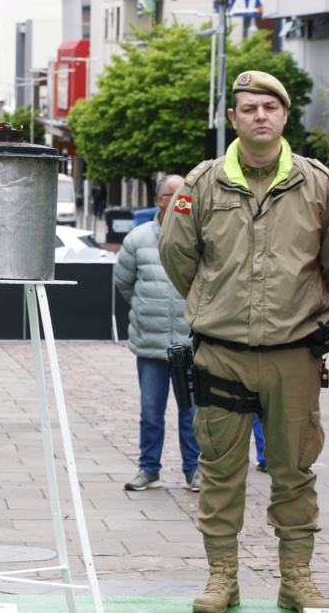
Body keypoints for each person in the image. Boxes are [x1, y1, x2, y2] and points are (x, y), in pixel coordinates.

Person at [159, 71, 329, 613]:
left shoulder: (319, 185)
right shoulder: (202, 184)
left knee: (295, 470)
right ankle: (222, 579)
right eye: (249, 108)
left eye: (270, 107)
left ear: (285, 116)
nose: (260, 115)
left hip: (295, 355)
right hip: (222, 353)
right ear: (233, 118)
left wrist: (299, 304)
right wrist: (219, 304)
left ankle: (296, 579)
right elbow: (177, 256)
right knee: (219, 471)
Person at [114, 174, 200, 493]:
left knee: (191, 412)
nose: (181, 201)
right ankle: (149, 468)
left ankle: (194, 469)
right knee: (151, 412)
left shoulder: (199, 238)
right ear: (160, 200)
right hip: (150, 345)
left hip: (190, 342)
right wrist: (145, 309)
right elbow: (124, 283)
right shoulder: (137, 239)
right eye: (174, 195)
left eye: (185, 196)